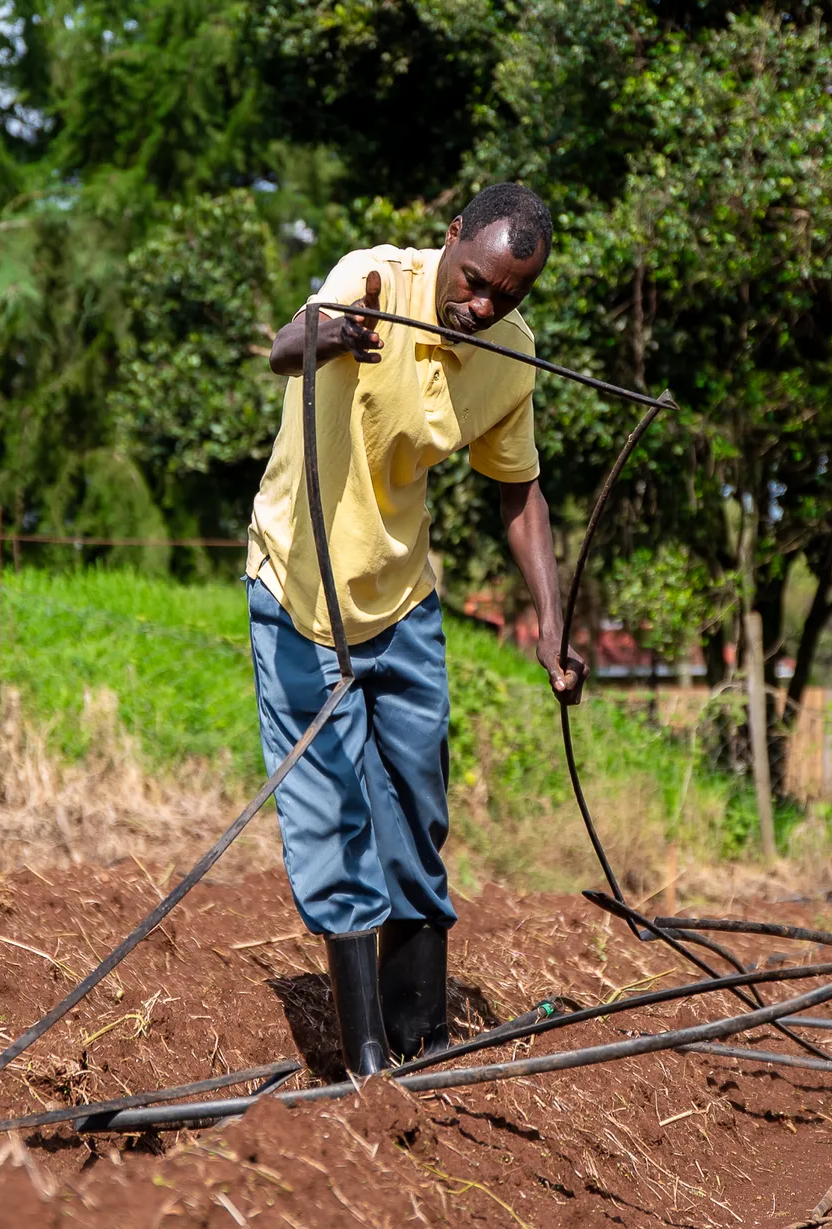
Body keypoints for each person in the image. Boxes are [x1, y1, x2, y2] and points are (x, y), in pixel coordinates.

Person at [247, 183, 586, 1076]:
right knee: (332, 814)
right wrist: (321, 336)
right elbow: (283, 349)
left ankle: (421, 1035)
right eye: (474, 281)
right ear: (451, 239)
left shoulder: (511, 354)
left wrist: (551, 620)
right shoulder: (368, 284)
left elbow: (518, 491)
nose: (482, 306)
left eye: (507, 297)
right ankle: (366, 1060)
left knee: (416, 806)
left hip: (401, 601)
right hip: (300, 594)